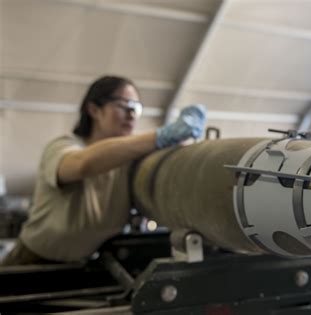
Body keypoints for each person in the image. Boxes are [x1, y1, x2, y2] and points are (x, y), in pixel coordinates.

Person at [0, 75, 207, 266]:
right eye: (123, 105)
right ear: (94, 110)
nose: (132, 113)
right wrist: (160, 136)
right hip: (33, 260)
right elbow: (82, 165)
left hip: (86, 263)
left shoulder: (131, 156)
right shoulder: (63, 146)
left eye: (136, 107)